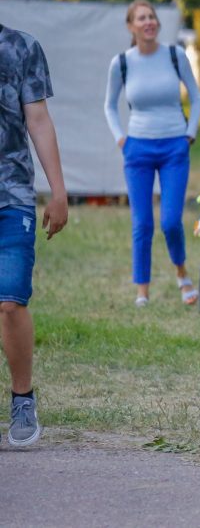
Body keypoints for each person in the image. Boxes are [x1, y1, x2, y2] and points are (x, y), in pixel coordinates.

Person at [104, 0, 200, 307]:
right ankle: (142, 292)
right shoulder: (122, 62)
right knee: (142, 223)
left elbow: (197, 97)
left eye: (152, 17)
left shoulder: (175, 55)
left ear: (157, 23)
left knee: (171, 221)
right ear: (131, 26)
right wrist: (122, 138)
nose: (148, 22)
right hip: (138, 149)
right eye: (141, 18)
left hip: (175, 146)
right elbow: (109, 105)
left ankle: (182, 273)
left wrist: (189, 133)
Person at [0, 24, 68, 446]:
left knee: (9, 302)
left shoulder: (22, 47)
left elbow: (39, 121)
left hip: (12, 194)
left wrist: (58, 191)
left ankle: (22, 397)